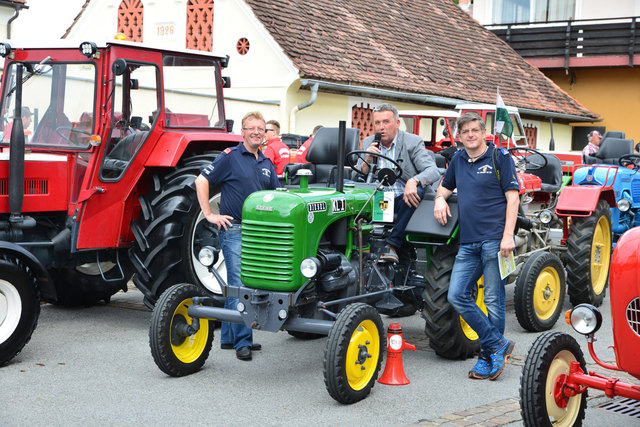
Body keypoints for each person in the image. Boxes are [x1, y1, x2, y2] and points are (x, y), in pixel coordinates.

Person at [433, 112, 519, 380]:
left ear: (484, 133)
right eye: (465, 131)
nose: (470, 135)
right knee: (456, 295)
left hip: (495, 239)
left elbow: (513, 199)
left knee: (493, 299)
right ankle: (498, 344)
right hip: (468, 242)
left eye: (475, 130)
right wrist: (439, 199)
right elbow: (445, 187)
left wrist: (508, 236)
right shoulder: (458, 159)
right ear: (459, 136)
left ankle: (486, 356)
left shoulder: (500, 158)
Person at [194, 111, 280, 361]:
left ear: (265, 133)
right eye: (251, 128)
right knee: (242, 285)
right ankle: (243, 341)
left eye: (260, 129)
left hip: (258, 233)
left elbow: (275, 195)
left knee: (240, 284)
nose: (256, 132)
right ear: (242, 132)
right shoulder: (230, 157)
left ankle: (229, 338)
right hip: (234, 230)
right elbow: (201, 181)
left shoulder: (265, 164)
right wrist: (209, 214)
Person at [361, 103, 441, 263]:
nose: (381, 127)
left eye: (386, 122)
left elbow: (433, 171)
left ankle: (392, 245)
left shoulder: (412, 142)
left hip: (402, 199)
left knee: (416, 192)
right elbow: (360, 173)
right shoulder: (369, 142)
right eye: (377, 123)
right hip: (376, 199)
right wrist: (367, 159)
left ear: (397, 123)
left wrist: (414, 180)